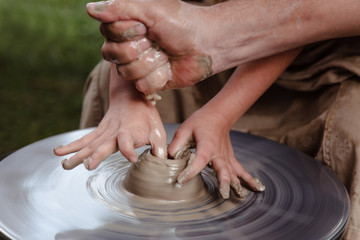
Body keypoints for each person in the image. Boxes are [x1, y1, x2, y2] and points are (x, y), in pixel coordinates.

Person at [55, 0, 360, 238]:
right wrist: (128, 93)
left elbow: (297, 17)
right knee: (106, 84)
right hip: (192, 32)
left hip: (325, 47)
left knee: (353, 127)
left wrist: (222, 112)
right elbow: (131, 10)